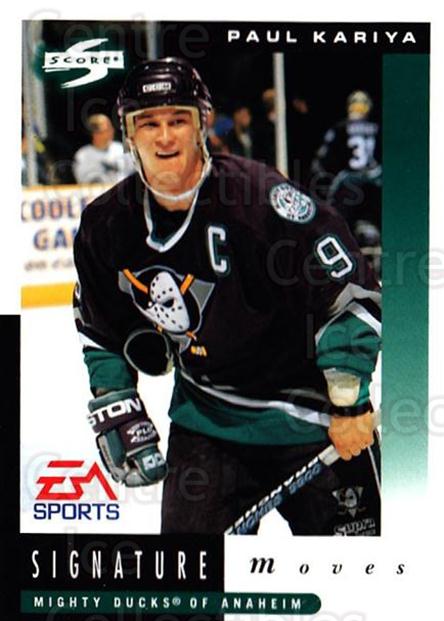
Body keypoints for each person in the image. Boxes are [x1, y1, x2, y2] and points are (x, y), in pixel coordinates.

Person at [74, 57, 381, 536]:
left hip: (313, 420)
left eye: (178, 120)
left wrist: (349, 401)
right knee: (190, 576)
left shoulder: (261, 201)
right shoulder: (106, 224)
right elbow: (100, 325)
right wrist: (116, 401)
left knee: (361, 574)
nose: (164, 137)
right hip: (207, 422)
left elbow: (350, 295)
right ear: (129, 134)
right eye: (148, 123)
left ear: (201, 124)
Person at [311, 91, 382, 273]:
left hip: (348, 185)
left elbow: (322, 161)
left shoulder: (340, 128)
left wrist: (325, 182)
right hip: (375, 183)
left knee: (336, 227)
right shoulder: (378, 127)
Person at [73, 113, 134, 184]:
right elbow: (84, 181)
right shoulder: (83, 155)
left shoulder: (120, 149)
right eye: (107, 129)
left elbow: (132, 173)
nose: (112, 131)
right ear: (95, 133)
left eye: (111, 128)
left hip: (122, 189)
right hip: (98, 190)